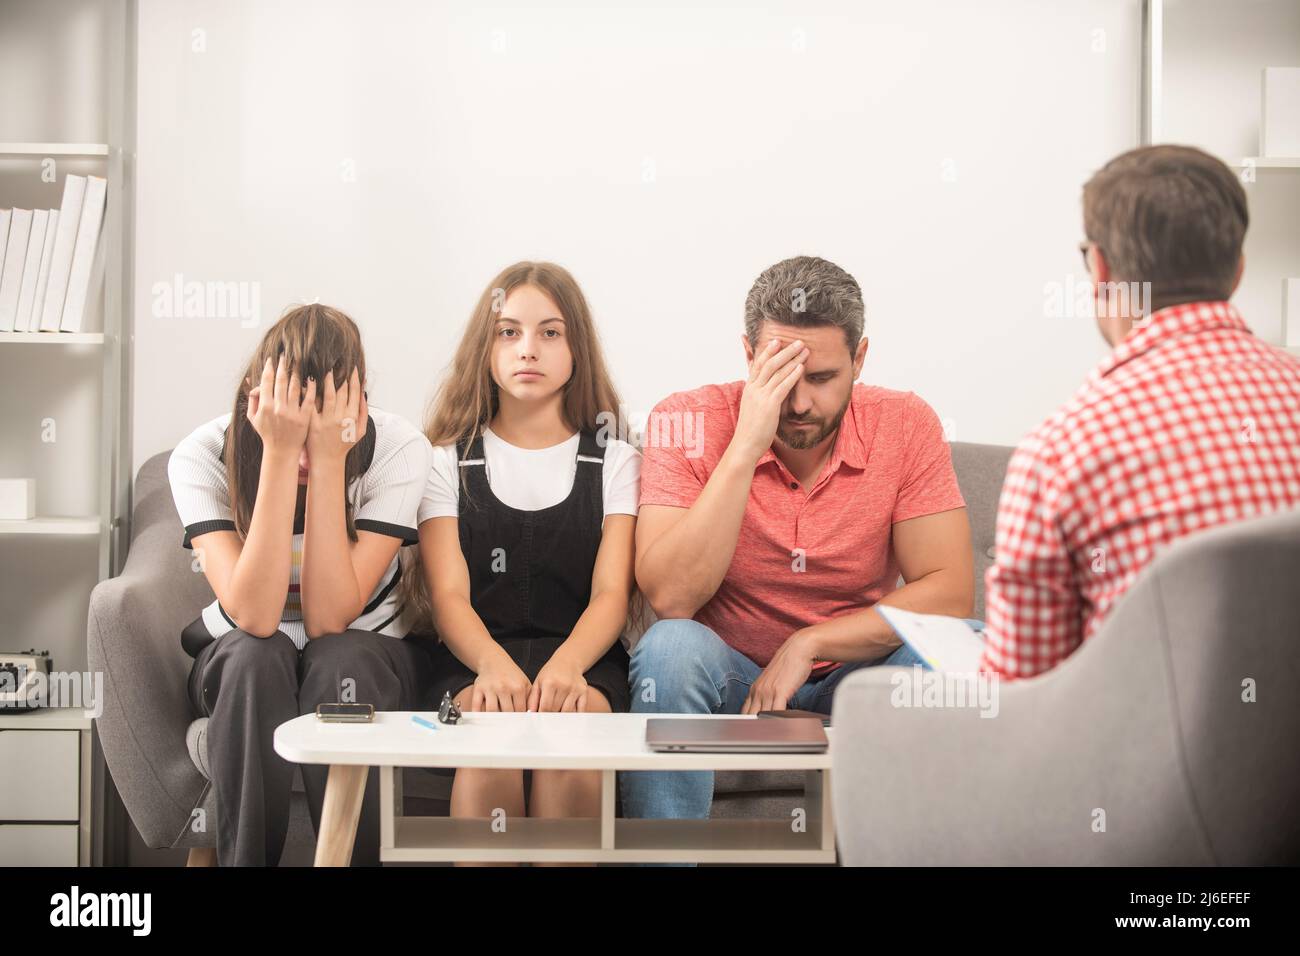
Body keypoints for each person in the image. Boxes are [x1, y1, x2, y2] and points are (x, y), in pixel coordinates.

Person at [623, 255, 974, 822]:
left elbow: (949, 592)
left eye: (821, 378)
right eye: (781, 376)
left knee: (962, 649)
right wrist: (746, 444)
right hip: (732, 674)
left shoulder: (906, 424)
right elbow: (672, 598)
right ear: (747, 356)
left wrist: (809, 643)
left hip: (854, 676)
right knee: (669, 647)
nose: (800, 404)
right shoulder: (685, 418)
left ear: (860, 359)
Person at [980, 144, 1300, 678]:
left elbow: (1020, 697)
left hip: (1151, 759)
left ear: (1100, 268)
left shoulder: (1060, 450)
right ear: (1238, 270)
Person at [169, 304, 433, 866]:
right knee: (252, 656)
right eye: (295, 420)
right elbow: (255, 617)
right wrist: (280, 453)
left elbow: (329, 619)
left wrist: (331, 459)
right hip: (243, 652)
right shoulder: (201, 454)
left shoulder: (400, 447)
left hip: (365, 650)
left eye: (328, 419)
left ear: (359, 403)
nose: (310, 443)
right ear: (255, 399)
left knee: (342, 659)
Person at [403, 261, 640, 863]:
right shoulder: (444, 461)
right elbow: (449, 598)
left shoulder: (615, 461)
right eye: (508, 332)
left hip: (582, 658)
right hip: (475, 658)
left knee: (572, 750)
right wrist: (493, 668)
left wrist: (566, 670)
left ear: (576, 347)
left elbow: (611, 594)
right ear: (486, 347)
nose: (527, 349)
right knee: (488, 755)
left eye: (549, 332)